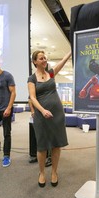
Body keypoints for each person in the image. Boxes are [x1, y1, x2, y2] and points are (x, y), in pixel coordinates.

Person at [28, 50, 71, 187]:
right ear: (35, 62)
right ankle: (41, 173)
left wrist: (70, 51)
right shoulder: (32, 78)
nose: (44, 60)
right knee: (42, 146)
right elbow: (32, 98)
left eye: (45, 58)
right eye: (41, 58)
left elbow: (62, 62)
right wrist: (42, 110)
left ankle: (54, 172)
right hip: (41, 115)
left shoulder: (51, 73)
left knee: (56, 144)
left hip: (57, 114)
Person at [28, 98, 52, 167]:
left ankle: (50, 157)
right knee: (35, 134)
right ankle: (35, 155)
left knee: (49, 135)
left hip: (48, 111)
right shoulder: (33, 88)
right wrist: (32, 111)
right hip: (37, 113)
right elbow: (30, 100)